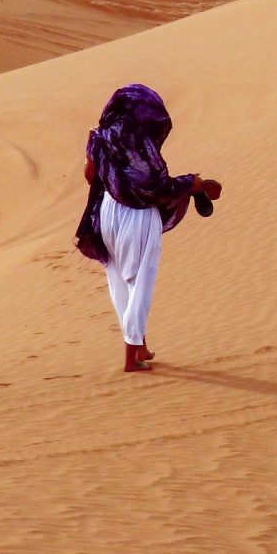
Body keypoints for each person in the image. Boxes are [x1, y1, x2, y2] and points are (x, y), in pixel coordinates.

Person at [75, 83, 221, 372]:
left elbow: (91, 176)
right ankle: (132, 355)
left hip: (107, 212)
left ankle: (139, 345)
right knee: (140, 281)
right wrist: (191, 184)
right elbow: (156, 186)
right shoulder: (141, 142)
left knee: (119, 279)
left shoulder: (100, 136)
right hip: (138, 215)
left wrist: (95, 151)